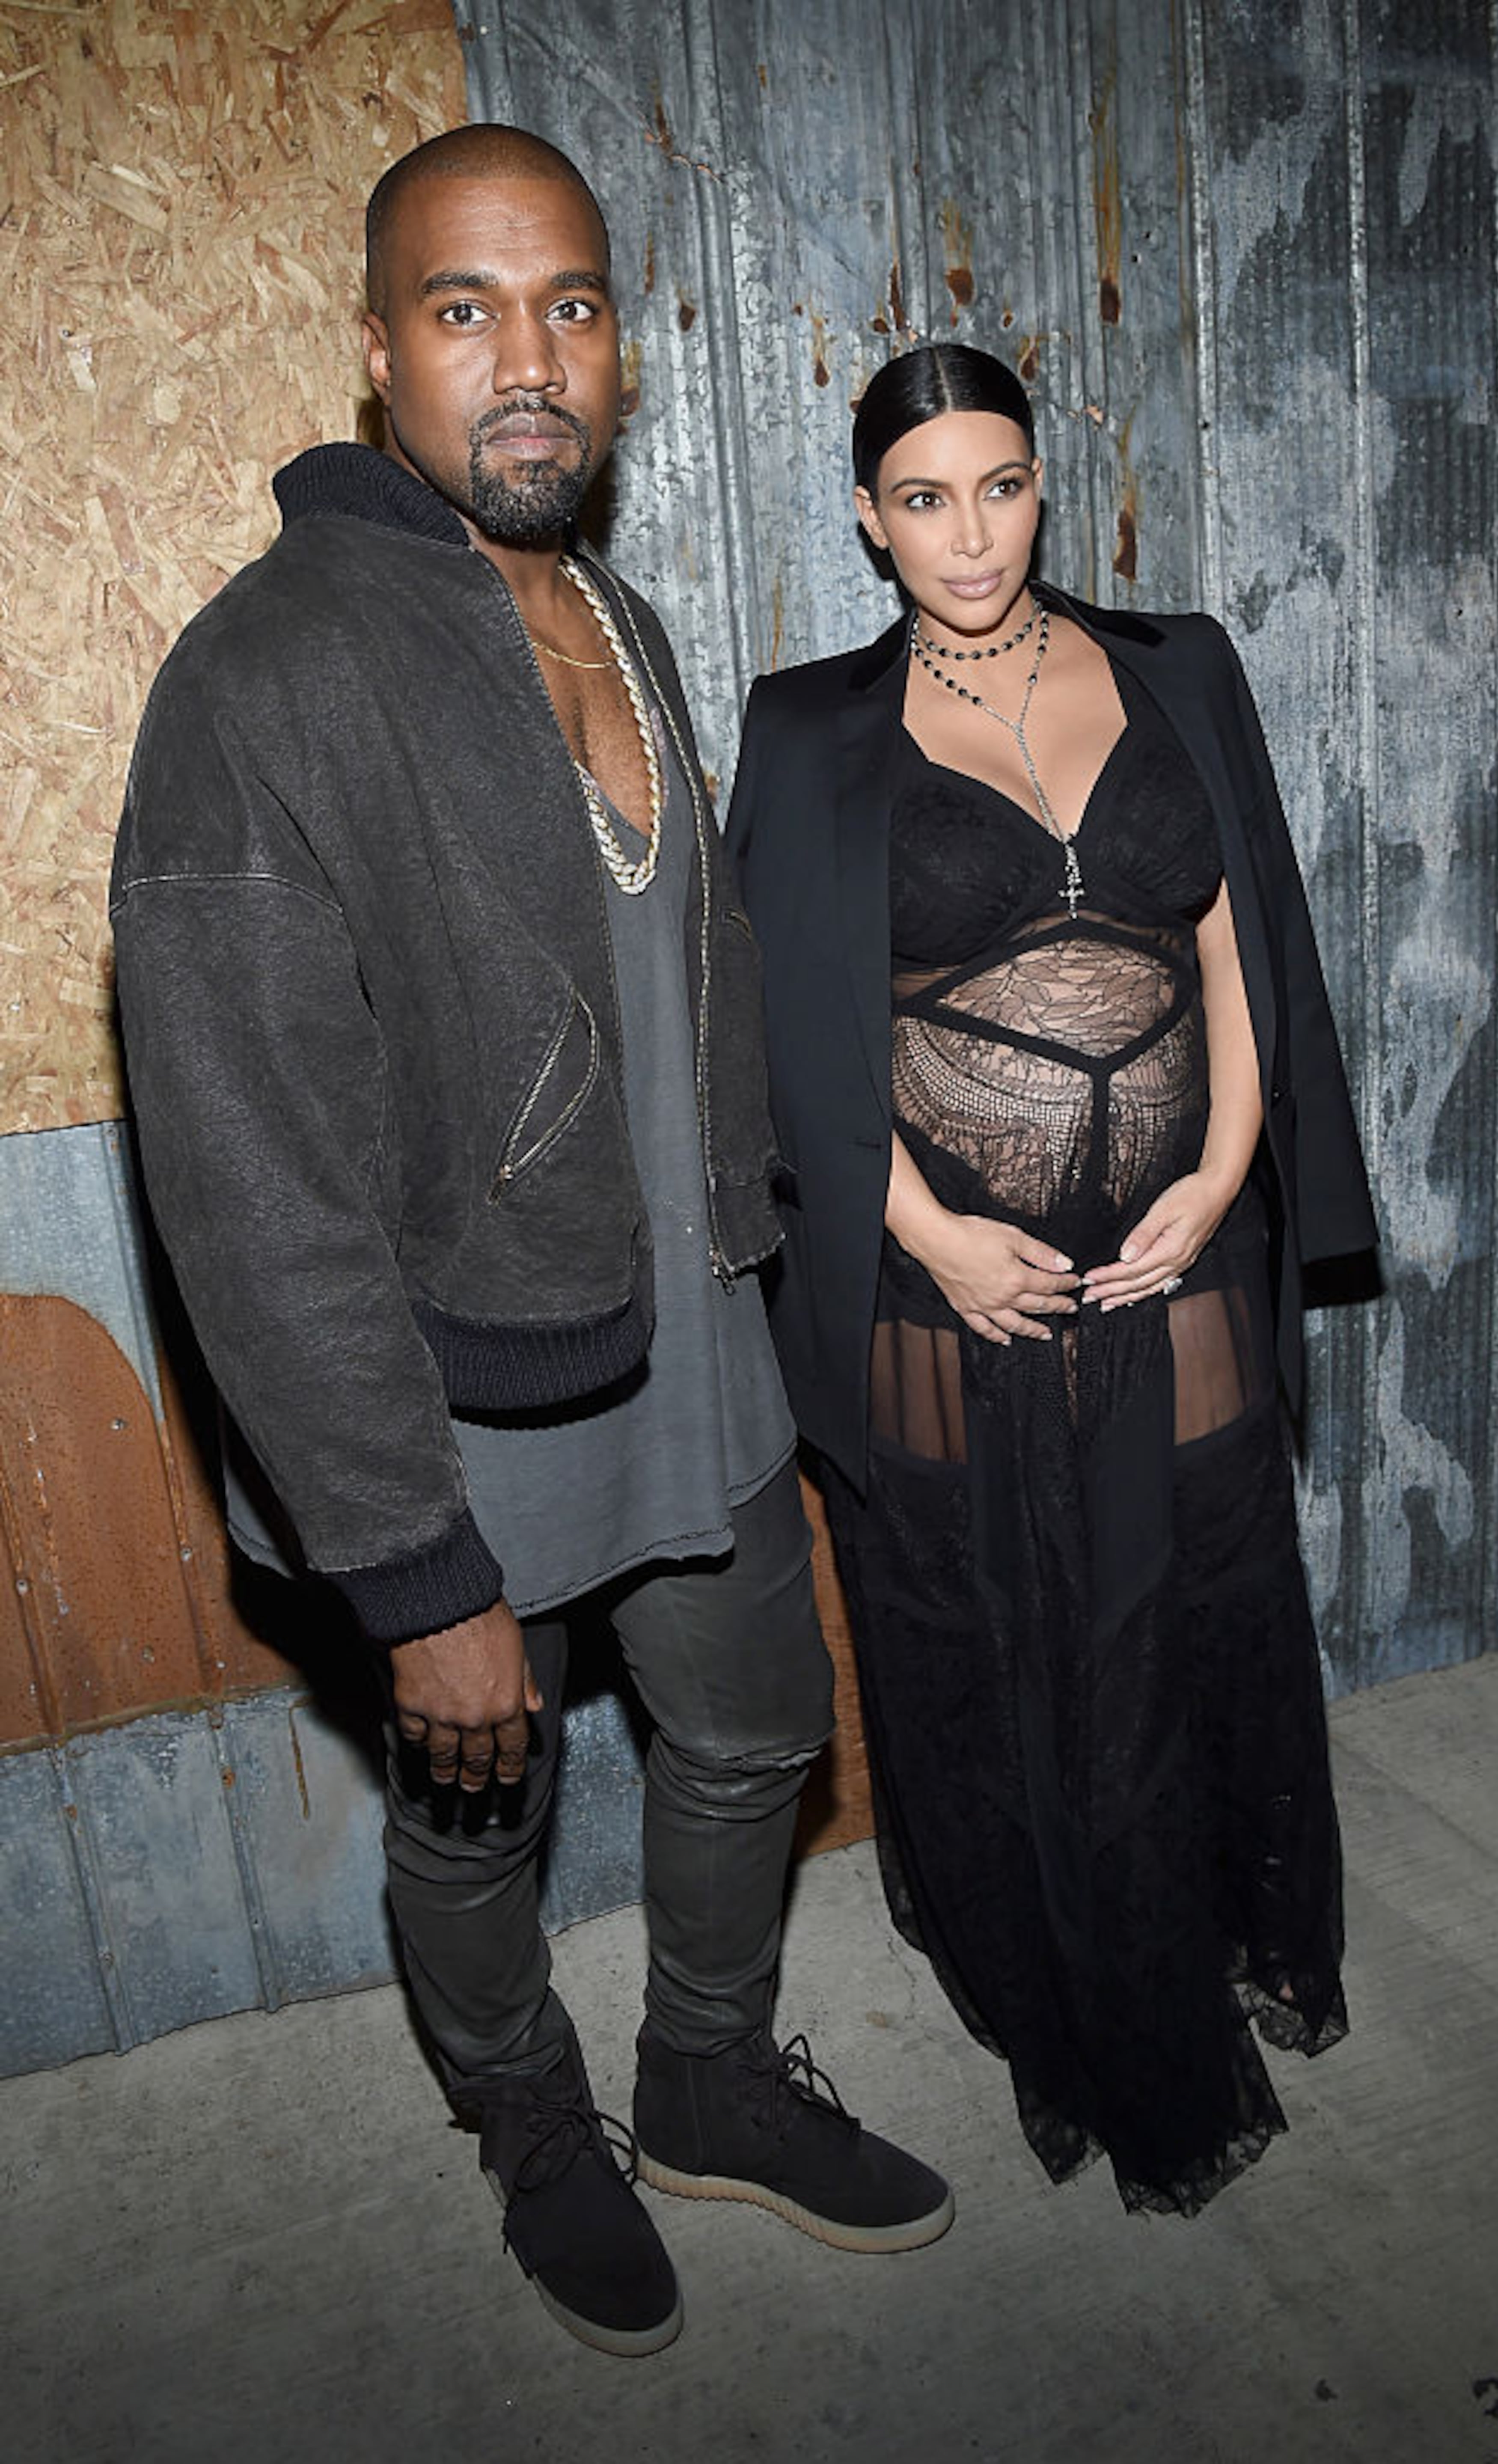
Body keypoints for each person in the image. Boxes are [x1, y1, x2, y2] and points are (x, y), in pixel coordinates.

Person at [108, 125, 952, 2360]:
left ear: (621, 347)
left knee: (761, 1726)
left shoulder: (611, 608)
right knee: (477, 1798)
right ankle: (530, 2125)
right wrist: (410, 1568)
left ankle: (699, 2076)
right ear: (377, 348)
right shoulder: (260, 677)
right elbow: (247, 1172)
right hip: (449, 1397)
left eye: (569, 305)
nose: (527, 361)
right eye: (466, 310)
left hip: (701, 1335)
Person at [728, 343, 1376, 2216]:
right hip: (951, 1278)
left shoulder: (1176, 665)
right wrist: (922, 1225)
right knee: (993, 1629)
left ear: (1042, 481)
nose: (968, 535)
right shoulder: (807, 724)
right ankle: (1070, 2000)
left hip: (1176, 1249)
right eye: (921, 498)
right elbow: (774, 1026)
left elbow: (1244, 934)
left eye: (999, 486)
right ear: (869, 515)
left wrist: (1232, 1170)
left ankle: (1218, 1933)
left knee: (1201, 1598)